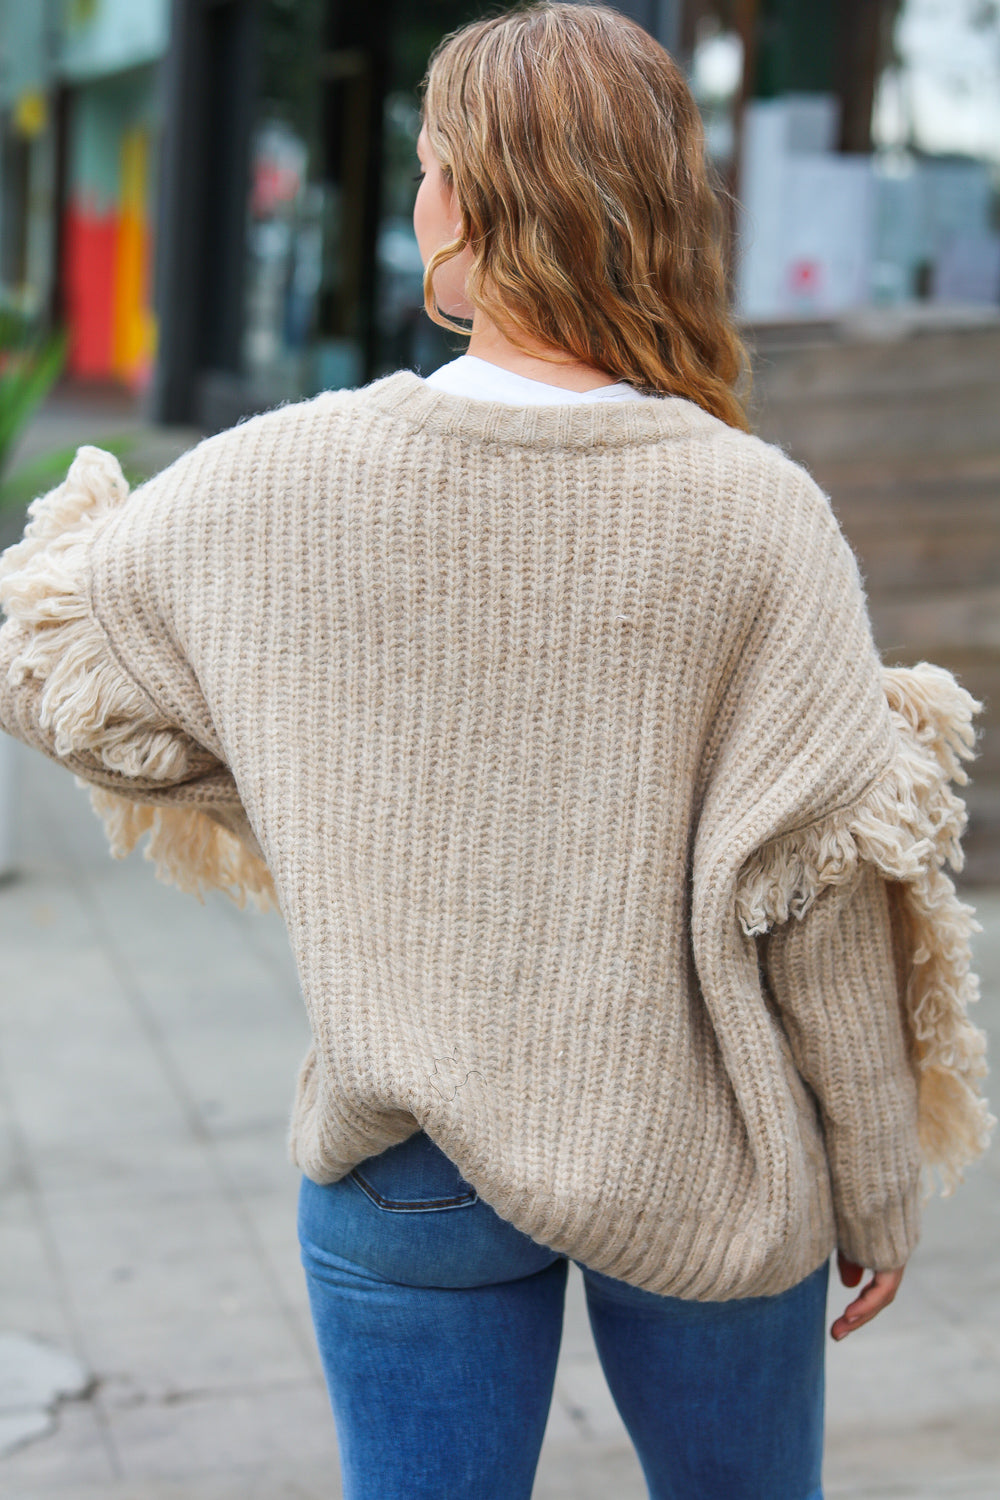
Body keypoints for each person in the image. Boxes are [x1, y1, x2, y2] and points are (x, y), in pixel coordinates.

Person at [0, 5, 992, 1498]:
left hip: (407, 1160)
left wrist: (295, 762)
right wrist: (872, 1184)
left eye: (422, 165)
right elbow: (827, 889)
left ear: (459, 201)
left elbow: (55, 661)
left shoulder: (279, 477)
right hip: (704, 1153)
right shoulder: (754, 510)